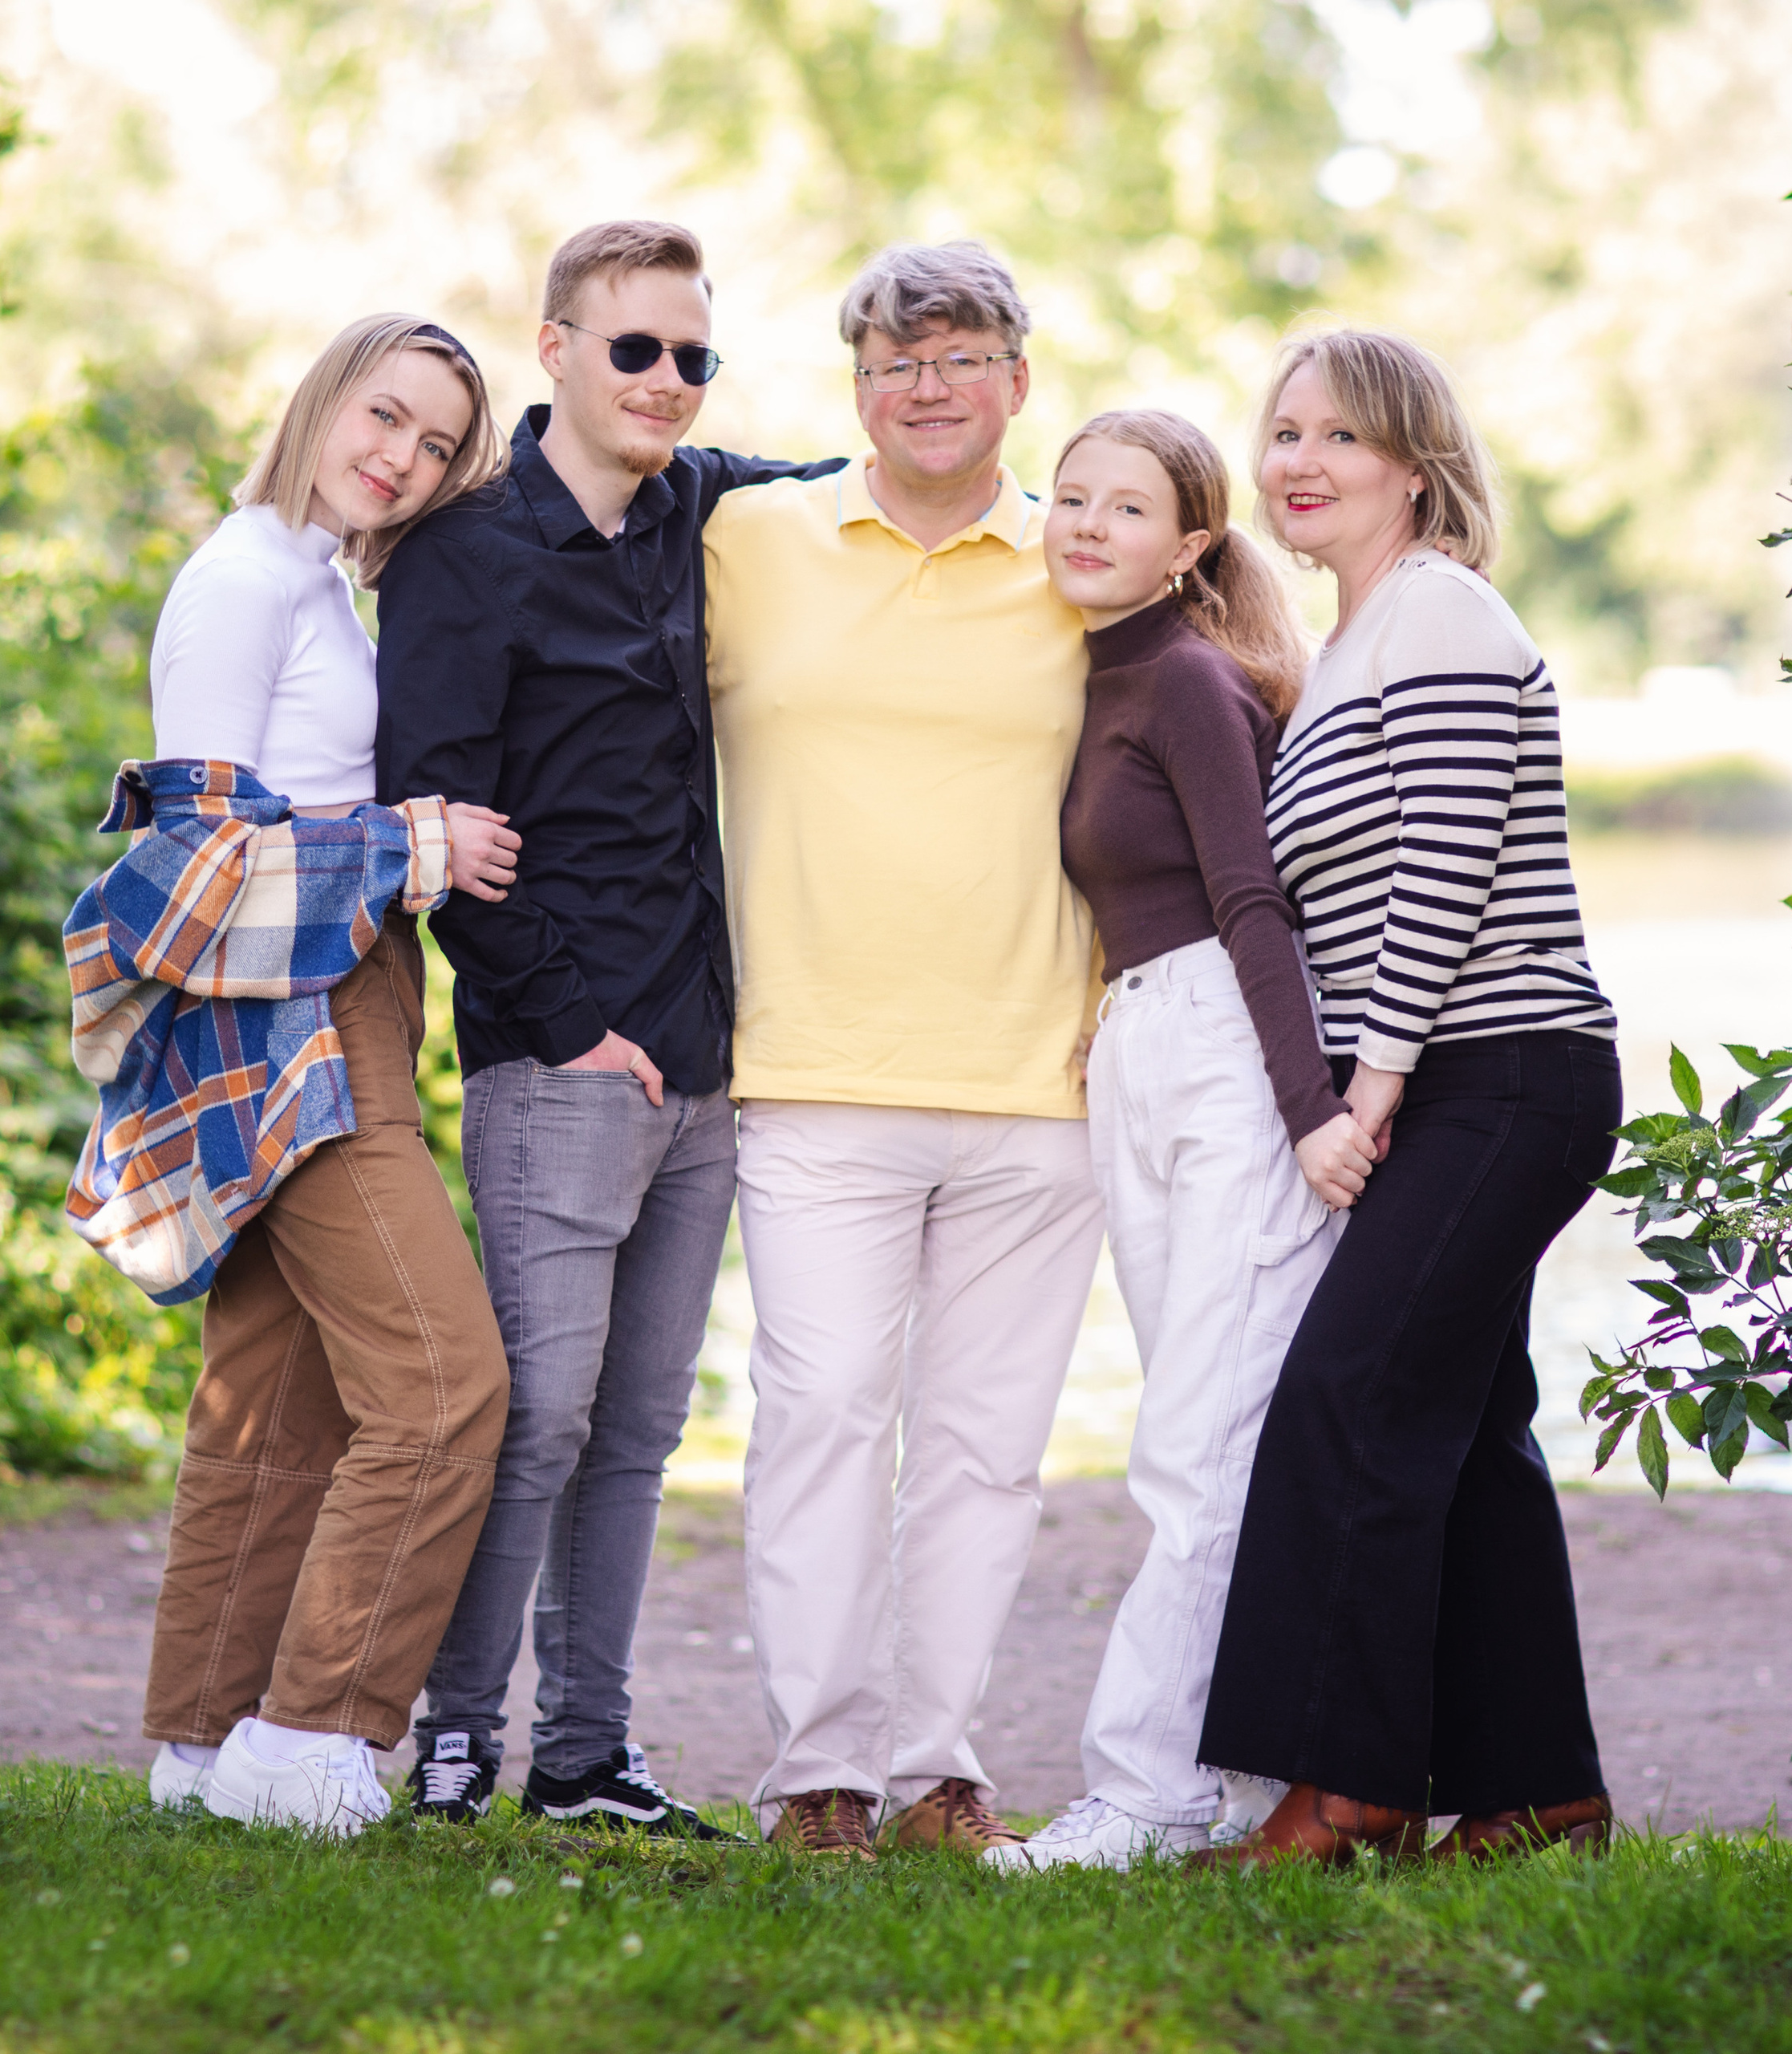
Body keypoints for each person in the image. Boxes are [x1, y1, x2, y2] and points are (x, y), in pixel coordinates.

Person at [373, 221, 842, 1833]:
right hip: (555, 1061)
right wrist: (569, 1027)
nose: (664, 381)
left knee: (638, 1428)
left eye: (692, 356)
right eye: (633, 347)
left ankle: (586, 1754)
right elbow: (431, 816)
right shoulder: (465, 546)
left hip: (705, 1057)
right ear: (556, 345)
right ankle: (454, 1738)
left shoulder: (700, 507)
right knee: (536, 1414)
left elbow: (870, 481)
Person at [81, 315, 523, 1836]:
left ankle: (204, 1746)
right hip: (288, 1015)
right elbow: (197, 862)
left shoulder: (318, 579)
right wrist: (416, 844)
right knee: (444, 1384)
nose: (400, 459)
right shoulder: (245, 578)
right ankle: (316, 1733)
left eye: (437, 445)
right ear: (325, 396)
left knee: (278, 1402)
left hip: (350, 992)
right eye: (384, 416)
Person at [1191, 328, 1622, 1869]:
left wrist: (1364, 1093)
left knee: (1349, 1406)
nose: (1298, 462)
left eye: (1340, 440)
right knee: (1468, 1426)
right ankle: (1539, 1795)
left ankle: (1351, 1790)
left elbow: (1442, 873)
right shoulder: (1356, 641)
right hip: (1463, 1082)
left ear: (1416, 467)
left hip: (1499, 1075)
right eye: (1284, 432)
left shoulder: (1437, 613)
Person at [704, 242, 1105, 1860]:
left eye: (957, 356)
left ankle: (936, 1769)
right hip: (809, 1072)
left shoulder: (1088, 555)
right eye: (891, 359)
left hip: (1043, 1086)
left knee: (983, 1454)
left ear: (1017, 377)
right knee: (814, 1420)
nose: (924, 385)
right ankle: (818, 1772)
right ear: (853, 384)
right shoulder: (750, 539)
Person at [983, 412, 1376, 1873]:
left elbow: (1251, 904)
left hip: (1228, 1056)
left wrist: (1309, 1116)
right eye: (1070, 497)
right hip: (1144, 1050)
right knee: (1202, 1429)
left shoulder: (1193, 680)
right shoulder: (1096, 675)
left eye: (1127, 509)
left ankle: (1143, 1790)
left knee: (1198, 1449)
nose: (1084, 524)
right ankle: (1222, 1783)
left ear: (1193, 545)